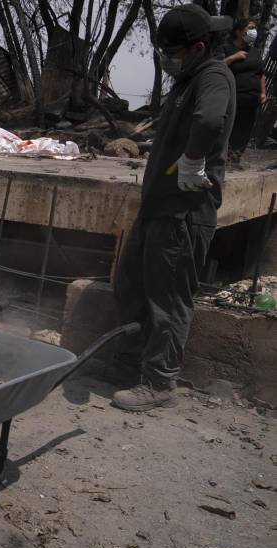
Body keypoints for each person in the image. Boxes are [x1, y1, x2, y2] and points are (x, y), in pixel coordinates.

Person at [112, 4, 235, 412]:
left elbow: (211, 121)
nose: (167, 60)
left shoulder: (214, 75)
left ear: (198, 47)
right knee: (131, 285)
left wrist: (193, 160)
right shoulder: (188, 78)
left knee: (167, 299)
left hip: (183, 214)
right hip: (158, 209)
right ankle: (128, 366)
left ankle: (159, 383)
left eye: (174, 52)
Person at [222, 17, 266, 166]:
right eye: (250, 28)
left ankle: (235, 159)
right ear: (238, 31)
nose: (254, 31)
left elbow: (261, 74)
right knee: (230, 127)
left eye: (254, 28)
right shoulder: (226, 48)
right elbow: (216, 66)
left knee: (245, 129)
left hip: (252, 98)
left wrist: (263, 93)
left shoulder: (255, 52)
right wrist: (233, 58)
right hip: (233, 96)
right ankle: (224, 158)